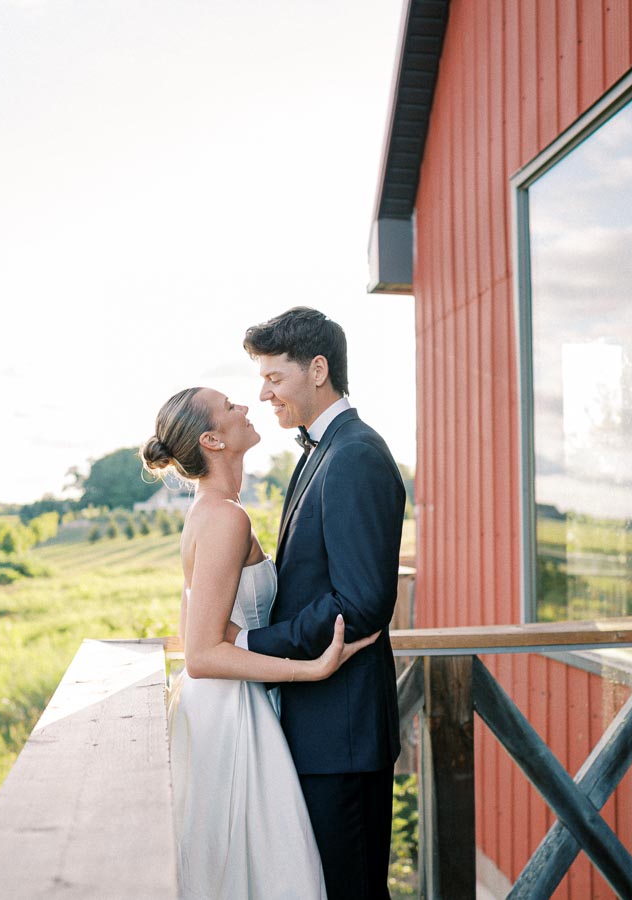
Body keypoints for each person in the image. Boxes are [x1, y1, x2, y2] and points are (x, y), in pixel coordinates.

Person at [142, 385, 379, 900]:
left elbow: (194, 635)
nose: (245, 406)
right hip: (230, 714)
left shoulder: (213, 511)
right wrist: (311, 670)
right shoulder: (226, 518)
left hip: (232, 704)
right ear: (212, 439)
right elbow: (202, 656)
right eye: (229, 407)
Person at [231, 307, 406, 900]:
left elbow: (359, 602)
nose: (264, 394)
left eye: (274, 378)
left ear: (318, 369)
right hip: (319, 725)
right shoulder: (317, 451)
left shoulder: (354, 454)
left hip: (344, 732)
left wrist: (253, 645)